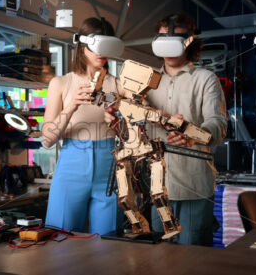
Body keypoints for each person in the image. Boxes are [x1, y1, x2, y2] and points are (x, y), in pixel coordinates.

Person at [105, 13, 227, 245]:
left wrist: (193, 136)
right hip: (156, 187)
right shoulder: (145, 80)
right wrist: (117, 114)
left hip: (194, 186)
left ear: (189, 42)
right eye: (164, 39)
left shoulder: (206, 79)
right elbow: (130, 121)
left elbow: (218, 124)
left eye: (176, 39)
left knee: (193, 258)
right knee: (159, 258)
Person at [43, 17, 121, 235]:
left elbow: (136, 131)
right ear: (82, 45)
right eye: (96, 46)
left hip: (109, 166)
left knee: (108, 243)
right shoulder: (60, 83)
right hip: (71, 166)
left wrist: (119, 120)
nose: (101, 52)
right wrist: (70, 108)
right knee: (61, 238)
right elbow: (47, 140)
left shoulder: (118, 85)